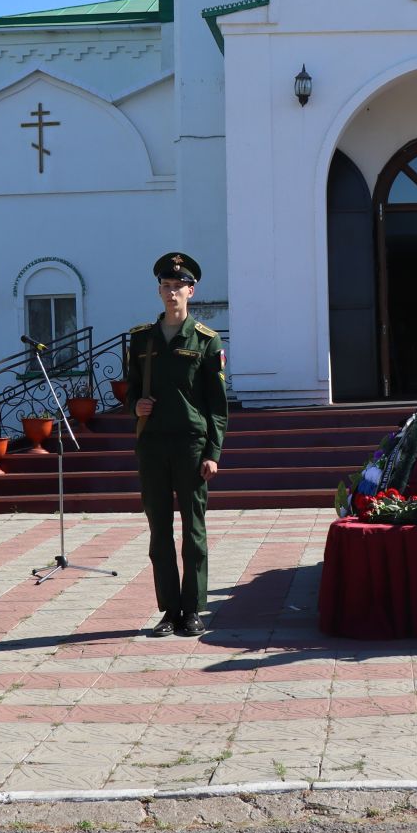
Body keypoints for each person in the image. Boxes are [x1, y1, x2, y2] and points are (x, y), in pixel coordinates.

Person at [129, 252, 230, 637]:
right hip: (152, 444)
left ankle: (193, 609)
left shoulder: (206, 340)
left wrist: (213, 453)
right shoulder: (141, 339)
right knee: (159, 531)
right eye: (166, 286)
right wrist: (133, 404)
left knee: (193, 531)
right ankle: (169, 610)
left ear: (192, 290)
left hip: (190, 443)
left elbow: (217, 406)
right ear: (159, 290)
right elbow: (132, 390)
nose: (172, 293)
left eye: (178, 287)